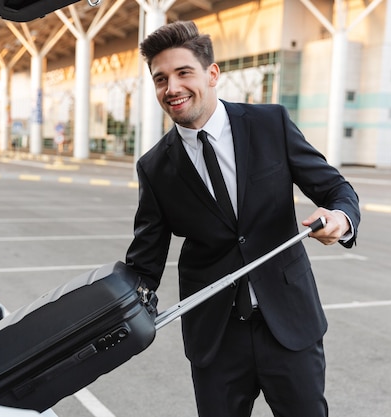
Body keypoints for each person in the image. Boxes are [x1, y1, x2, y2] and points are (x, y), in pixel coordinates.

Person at [125, 21, 360, 417]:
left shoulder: (271, 124)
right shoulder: (154, 167)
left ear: (212, 74)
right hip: (215, 338)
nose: (172, 88)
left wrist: (340, 218)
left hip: (289, 323)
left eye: (184, 73)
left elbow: (337, 190)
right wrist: (99, 311)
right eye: (160, 79)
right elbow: (144, 264)